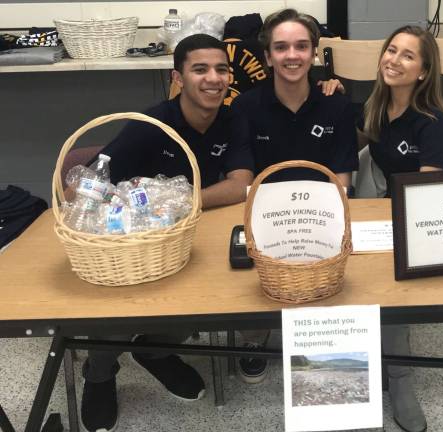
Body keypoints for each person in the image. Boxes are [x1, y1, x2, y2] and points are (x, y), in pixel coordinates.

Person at [78, 33, 254, 432]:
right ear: (178, 77)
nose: (213, 79)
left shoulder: (233, 120)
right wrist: (123, 213)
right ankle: (100, 371)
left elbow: (241, 184)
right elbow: (83, 186)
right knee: (113, 297)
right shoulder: (150, 125)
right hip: (140, 246)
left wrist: (175, 207)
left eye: (221, 69)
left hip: (194, 240)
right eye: (200, 70)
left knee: (215, 290)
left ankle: (154, 351)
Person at [229, 8, 358, 384]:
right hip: (266, 219)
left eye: (302, 46)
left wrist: (332, 223)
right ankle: (255, 337)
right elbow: (243, 176)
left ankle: (326, 342)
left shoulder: (336, 104)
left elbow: (343, 177)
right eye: (281, 47)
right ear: (267, 56)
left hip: (323, 215)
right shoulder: (246, 107)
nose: (292, 55)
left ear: (314, 53)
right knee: (248, 274)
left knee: (332, 275)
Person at [360, 25, 443, 432]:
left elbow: (428, 193)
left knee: (391, 282)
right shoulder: (379, 108)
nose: (393, 60)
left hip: (424, 217)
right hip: (389, 210)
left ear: (423, 71)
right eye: (391, 49)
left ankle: (400, 378)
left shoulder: (432, 122)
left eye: (407, 55)